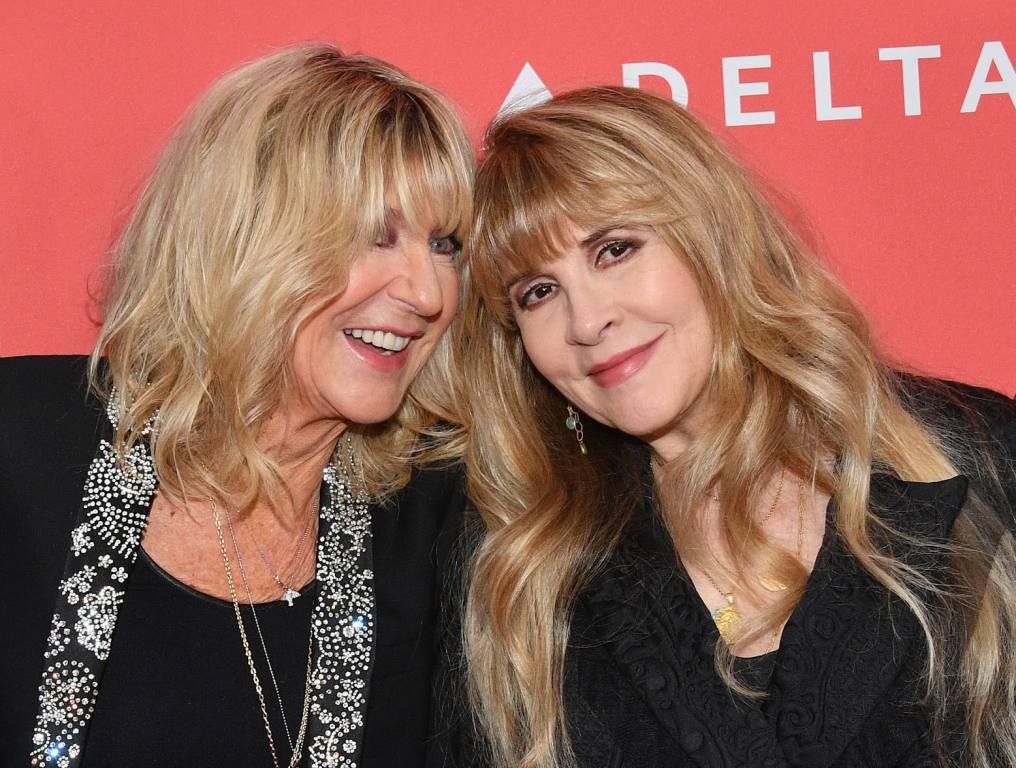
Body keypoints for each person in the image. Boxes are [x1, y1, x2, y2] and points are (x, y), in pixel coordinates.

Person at [431, 87, 1016, 768]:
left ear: (713, 237)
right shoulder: (521, 572)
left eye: (614, 250)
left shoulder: (975, 452)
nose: (586, 322)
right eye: (538, 292)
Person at [0, 44, 473, 767]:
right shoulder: (20, 440)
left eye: (445, 245)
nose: (428, 292)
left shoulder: (436, 513)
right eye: (375, 235)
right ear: (246, 235)